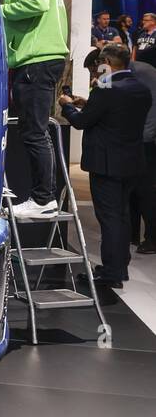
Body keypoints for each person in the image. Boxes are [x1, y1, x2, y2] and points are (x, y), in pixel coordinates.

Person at [60, 44, 152, 289]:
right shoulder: (140, 89)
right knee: (121, 217)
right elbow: (111, 115)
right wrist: (86, 102)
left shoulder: (105, 90)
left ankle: (111, 272)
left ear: (108, 63)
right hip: (131, 162)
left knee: (110, 219)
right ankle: (119, 266)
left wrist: (68, 104)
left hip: (106, 165)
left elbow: (81, 122)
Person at [0, 0, 70, 220]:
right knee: (35, 131)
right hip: (40, 60)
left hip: (36, 61)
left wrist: (0, 9)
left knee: (35, 133)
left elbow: (34, 2)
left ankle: (43, 199)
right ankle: (44, 198)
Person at [127, 56, 156, 254]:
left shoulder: (139, 73)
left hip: (146, 138)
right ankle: (133, 234)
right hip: (142, 137)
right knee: (135, 188)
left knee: (145, 191)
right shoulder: (139, 70)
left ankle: (151, 238)